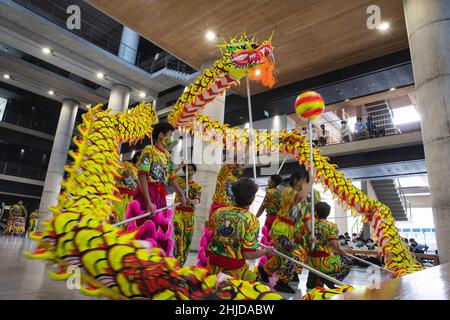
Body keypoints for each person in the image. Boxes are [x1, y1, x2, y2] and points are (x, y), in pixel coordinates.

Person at [129, 122, 187, 253]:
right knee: (144, 229)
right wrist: (148, 202)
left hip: (161, 196)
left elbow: (171, 178)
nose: (172, 138)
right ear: (161, 135)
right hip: (147, 193)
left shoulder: (167, 155)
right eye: (170, 135)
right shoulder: (149, 150)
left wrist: (181, 194)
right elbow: (142, 175)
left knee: (159, 230)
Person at [258, 166, 315, 294]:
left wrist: (311, 233)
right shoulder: (289, 191)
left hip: (289, 232)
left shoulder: (304, 201)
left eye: (307, 182)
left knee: (281, 257)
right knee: (295, 254)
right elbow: (299, 196)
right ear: (295, 181)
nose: (306, 184)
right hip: (280, 229)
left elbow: (306, 219)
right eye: (304, 181)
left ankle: (265, 270)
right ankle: (283, 282)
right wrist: (312, 181)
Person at [208, 178, 273, 280]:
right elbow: (247, 254)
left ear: (234, 195)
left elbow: (211, 236)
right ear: (252, 198)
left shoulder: (219, 212)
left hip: (212, 263)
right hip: (233, 268)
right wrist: (265, 251)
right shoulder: (252, 220)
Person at [197, 162, 245, 267]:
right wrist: (240, 153)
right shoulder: (224, 174)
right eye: (242, 164)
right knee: (211, 238)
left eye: (244, 165)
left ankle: (218, 265)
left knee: (223, 240)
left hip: (230, 214)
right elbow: (231, 160)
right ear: (235, 164)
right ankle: (206, 264)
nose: (243, 167)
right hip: (218, 211)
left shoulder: (238, 182)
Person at [306, 202, 352, 290]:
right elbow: (335, 246)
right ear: (328, 213)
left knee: (315, 268)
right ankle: (332, 279)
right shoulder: (331, 226)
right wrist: (345, 254)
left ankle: (313, 281)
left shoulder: (310, 225)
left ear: (316, 212)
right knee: (348, 262)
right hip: (325, 262)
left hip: (311, 262)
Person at [173, 164, 202, 265]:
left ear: (194, 171)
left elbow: (197, 200)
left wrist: (190, 201)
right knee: (178, 236)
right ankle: (176, 260)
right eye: (187, 169)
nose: (189, 171)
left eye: (191, 170)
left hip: (189, 216)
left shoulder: (197, 186)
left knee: (187, 239)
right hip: (178, 212)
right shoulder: (179, 182)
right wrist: (181, 165)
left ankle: (182, 263)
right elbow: (170, 174)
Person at [256, 174, 283, 243]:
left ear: (273, 182)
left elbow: (263, 206)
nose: (268, 180)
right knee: (274, 238)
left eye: (269, 179)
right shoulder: (279, 192)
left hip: (270, 217)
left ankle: (265, 252)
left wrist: (256, 217)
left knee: (266, 237)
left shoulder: (270, 192)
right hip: (278, 218)